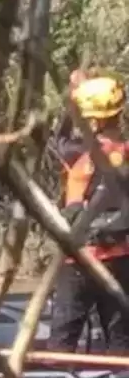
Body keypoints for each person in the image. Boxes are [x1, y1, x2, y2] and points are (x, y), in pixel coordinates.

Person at [50, 76, 129, 353]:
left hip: (80, 262)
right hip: (120, 260)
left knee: (63, 339)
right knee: (121, 339)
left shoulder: (77, 153)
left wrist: (72, 97)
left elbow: (59, 139)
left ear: (93, 122)